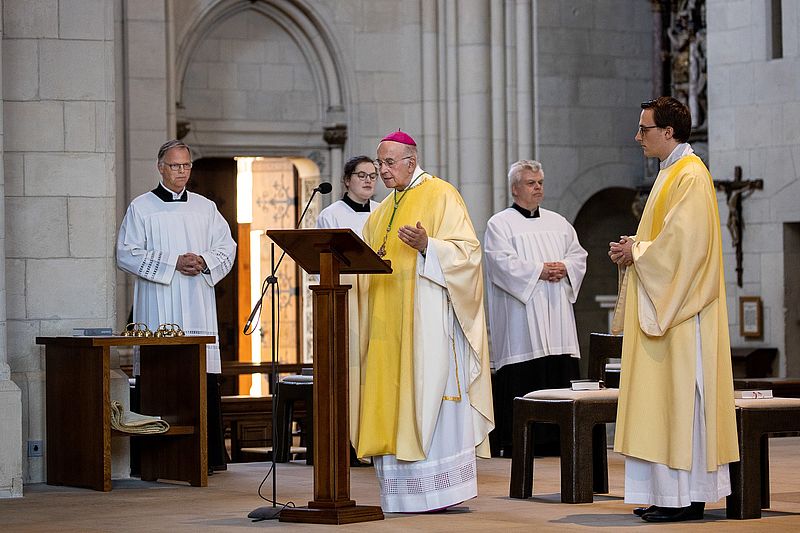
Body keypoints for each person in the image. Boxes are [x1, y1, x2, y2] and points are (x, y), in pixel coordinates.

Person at [608, 96, 738, 523]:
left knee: (682, 404)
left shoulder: (691, 175)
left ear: (668, 132)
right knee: (662, 407)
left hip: (683, 316)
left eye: (644, 129)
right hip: (667, 309)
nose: (637, 136)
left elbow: (686, 246)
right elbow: (668, 241)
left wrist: (638, 252)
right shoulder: (671, 174)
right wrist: (636, 249)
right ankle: (668, 495)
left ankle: (686, 497)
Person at [354, 130, 494, 512]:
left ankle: (441, 493)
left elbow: (468, 254)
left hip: (427, 326)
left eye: (388, 162)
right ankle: (400, 494)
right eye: (379, 162)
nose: (381, 170)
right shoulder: (382, 210)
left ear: (410, 162)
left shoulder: (442, 195)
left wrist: (428, 246)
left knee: (429, 397)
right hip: (388, 331)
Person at [117, 139, 237, 474]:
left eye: (186, 166)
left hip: (198, 305)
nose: (181, 172)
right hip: (159, 308)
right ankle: (156, 460)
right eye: (174, 166)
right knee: (161, 374)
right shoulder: (141, 208)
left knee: (200, 376)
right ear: (160, 167)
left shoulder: (205, 207)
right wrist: (172, 262)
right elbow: (125, 253)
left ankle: (207, 458)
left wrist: (204, 259)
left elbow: (227, 247)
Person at [484, 160, 587, 457]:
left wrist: (564, 267)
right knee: (525, 375)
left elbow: (578, 256)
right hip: (521, 321)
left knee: (558, 372)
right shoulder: (499, 224)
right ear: (516, 188)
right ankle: (520, 442)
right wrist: (538, 271)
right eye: (531, 183)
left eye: (540, 182)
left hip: (557, 317)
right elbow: (499, 263)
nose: (538, 187)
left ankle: (561, 440)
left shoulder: (559, 222)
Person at [315, 155, 379, 466]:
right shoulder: (331, 216)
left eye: (373, 175)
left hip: (379, 298)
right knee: (351, 370)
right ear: (346, 180)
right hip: (347, 299)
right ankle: (347, 443)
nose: (369, 181)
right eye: (361, 175)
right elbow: (323, 264)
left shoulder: (384, 214)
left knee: (376, 371)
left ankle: (376, 440)